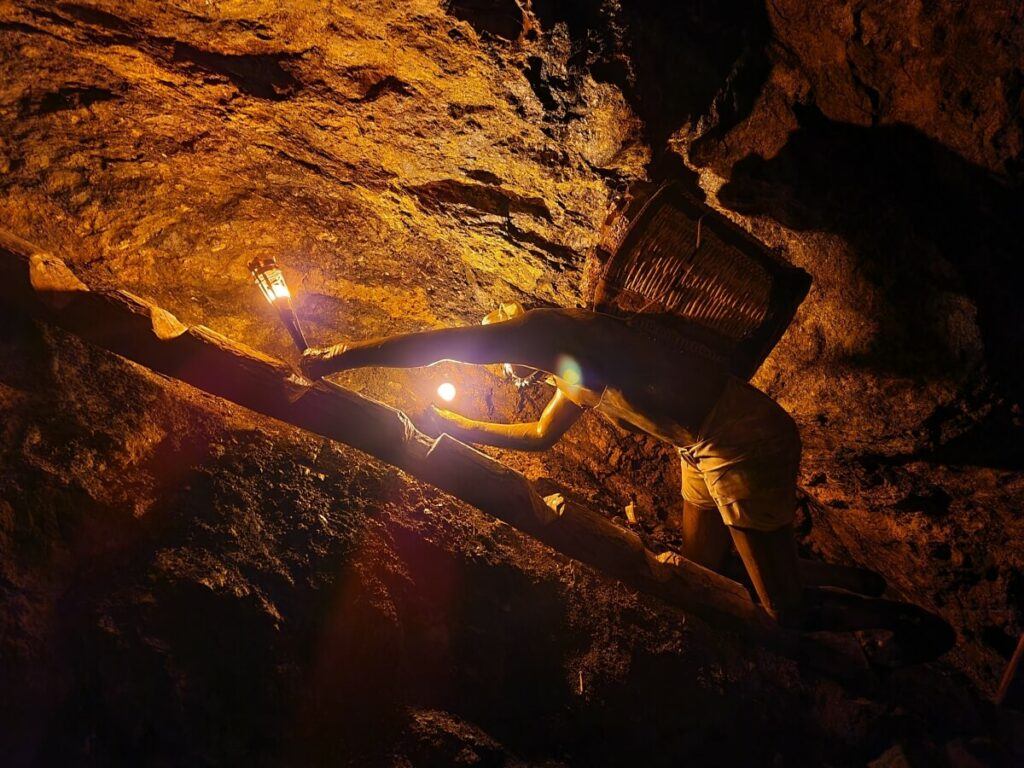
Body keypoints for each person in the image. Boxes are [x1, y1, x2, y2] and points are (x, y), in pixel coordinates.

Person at [300, 301, 953, 661]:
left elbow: (438, 345)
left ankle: (901, 625)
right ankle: (843, 576)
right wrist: (453, 423)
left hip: (740, 441)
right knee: (706, 570)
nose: (500, 361)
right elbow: (537, 438)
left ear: (517, 323)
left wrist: (342, 357)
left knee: (782, 614)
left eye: (499, 343)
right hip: (702, 445)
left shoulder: (548, 332)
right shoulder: (578, 362)